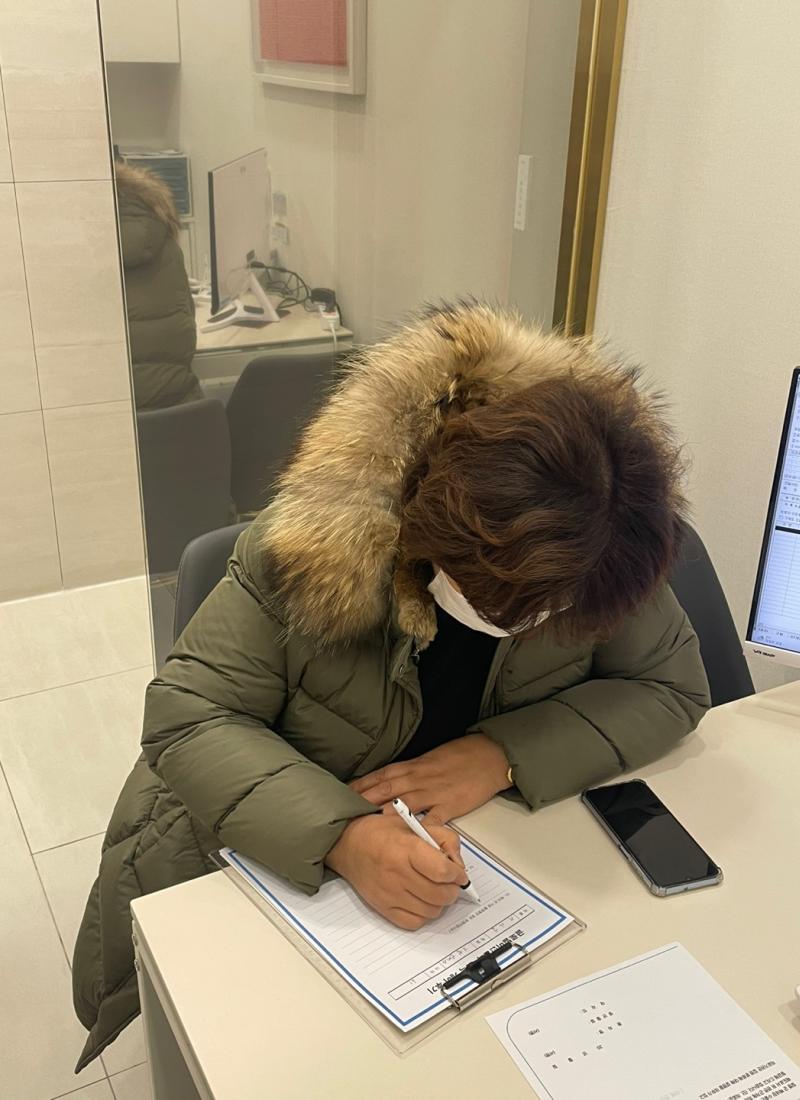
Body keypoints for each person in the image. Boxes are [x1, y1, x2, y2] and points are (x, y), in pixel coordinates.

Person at [72, 302, 710, 1069]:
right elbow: (188, 714)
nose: (525, 623)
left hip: (493, 866)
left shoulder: (602, 530)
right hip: (266, 851)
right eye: (495, 597)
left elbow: (669, 686)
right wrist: (342, 837)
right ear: (430, 518)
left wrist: (503, 755)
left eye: (553, 609)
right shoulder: (315, 543)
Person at [115, 161, 202, 410]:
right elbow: (187, 322)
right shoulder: (168, 247)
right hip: (182, 412)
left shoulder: (74, 259)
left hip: (116, 419)